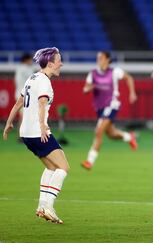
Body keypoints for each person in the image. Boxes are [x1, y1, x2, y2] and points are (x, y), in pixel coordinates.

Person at [3, 47, 69, 224]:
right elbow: (41, 103)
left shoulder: (32, 78)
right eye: (58, 60)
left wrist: (9, 123)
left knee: (51, 168)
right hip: (38, 132)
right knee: (63, 168)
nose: (61, 63)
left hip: (26, 132)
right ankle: (49, 206)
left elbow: (19, 101)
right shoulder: (45, 82)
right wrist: (42, 126)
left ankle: (42, 207)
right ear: (50, 63)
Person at [81, 51, 138, 170]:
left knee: (99, 130)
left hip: (112, 105)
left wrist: (132, 93)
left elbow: (129, 78)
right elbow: (85, 89)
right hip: (99, 108)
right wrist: (88, 88)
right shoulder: (93, 74)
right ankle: (129, 136)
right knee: (111, 134)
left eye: (101, 58)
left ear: (107, 59)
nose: (99, 60)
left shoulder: (115, 71)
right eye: (98, 58)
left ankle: (89, 161)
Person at [13, 53, 34, 141]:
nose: (31, 61)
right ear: (26, 60)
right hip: (25, 95)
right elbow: (33, 81)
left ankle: (23, 135)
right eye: (30, 59)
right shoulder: (26, 69)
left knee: (24, 116)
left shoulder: (19, 68)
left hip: (19, 94)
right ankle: (22, 136)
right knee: (24, 116)